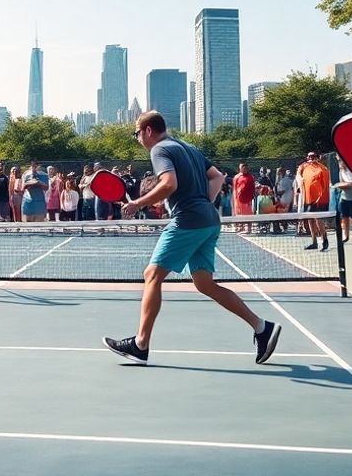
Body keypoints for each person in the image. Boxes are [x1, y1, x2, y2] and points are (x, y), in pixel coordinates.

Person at [103, 111, 281, 366]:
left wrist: (138, 204)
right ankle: (262, 327)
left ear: (148, 131)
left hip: (188, 220)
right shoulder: (190, 148)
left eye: (137, 133)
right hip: (209, 220)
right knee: (205, 284)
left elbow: (169, 184)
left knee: (152, 275)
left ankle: (140, 345)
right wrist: (201, 203)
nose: (138, 139)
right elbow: (218, 177)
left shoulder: (160, 149)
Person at [295, 152, 331, 251]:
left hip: (319, 199)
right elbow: (298, 176)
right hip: (308, 198)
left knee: (318, 219)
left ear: (317, 157)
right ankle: (314, 242)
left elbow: (325, 182)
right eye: (309, 156)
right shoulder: (304, 167)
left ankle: (325, 240)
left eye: (313, 156)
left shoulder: (322, 169)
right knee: (310, 219)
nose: (311, 158)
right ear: (307, 158)